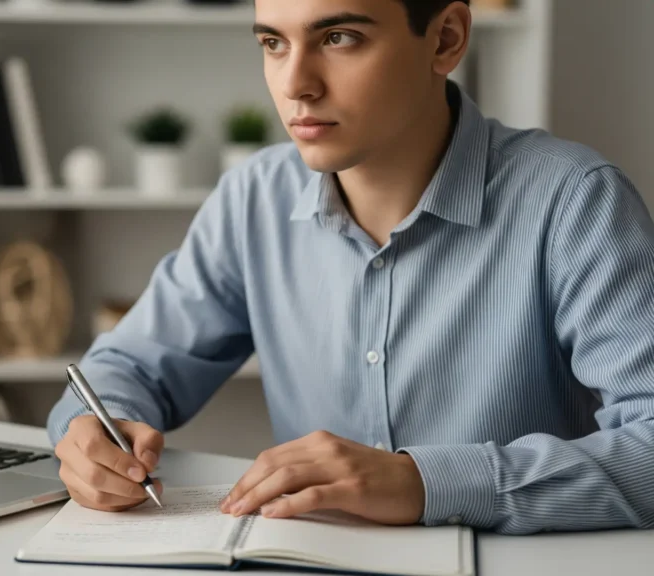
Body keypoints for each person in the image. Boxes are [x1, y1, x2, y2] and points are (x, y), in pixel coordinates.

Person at [46, 0, 654, 535]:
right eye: (273, 43)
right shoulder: (252, 198)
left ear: (446, 40)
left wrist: (424, 483)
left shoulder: (575, 200)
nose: (296, 84)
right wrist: (88, 433)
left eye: (339, 38)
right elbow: (124, 368)